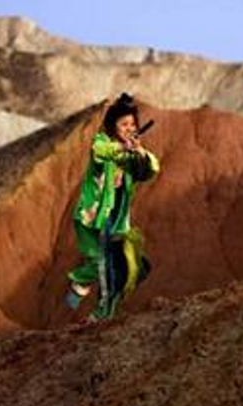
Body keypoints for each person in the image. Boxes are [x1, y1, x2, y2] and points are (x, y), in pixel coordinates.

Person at [65, 93, 160, 321]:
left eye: (133, 124)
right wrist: (121, 148)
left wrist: (139, 152)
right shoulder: (102, 143)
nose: (129, 128)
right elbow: (101, 151)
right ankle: (97, 312)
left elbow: (150, 170)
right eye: (124, 124)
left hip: (117, 224)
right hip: (93, 220)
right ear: (112, 126)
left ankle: (93, 297)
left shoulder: (130, 158)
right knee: (103, 265)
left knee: (134, 268)